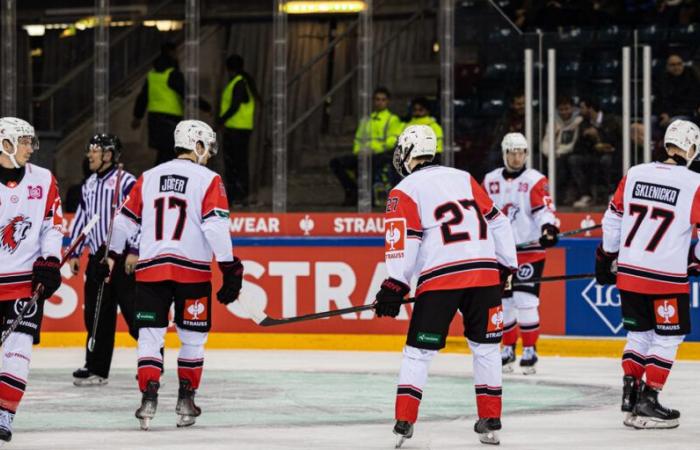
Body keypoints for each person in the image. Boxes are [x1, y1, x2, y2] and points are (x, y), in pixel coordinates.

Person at [374, 125, 517, 447]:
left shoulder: (404, 189)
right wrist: (508, 265)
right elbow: (498, 221)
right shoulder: (463, 177)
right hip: (483, 274)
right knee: (486, 349)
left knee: (418, 353)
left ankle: (404, 421)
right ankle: (491, 418)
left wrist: (395, 283)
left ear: (408, 152)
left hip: (442, 278)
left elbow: (403, 242)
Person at [107, 119, 243, 430]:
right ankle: (185, 399)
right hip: (192, 272)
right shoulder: (209, 179)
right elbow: (215, 226)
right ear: (196, 145)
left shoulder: (148, 177)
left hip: (152, 271)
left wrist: (112, 256)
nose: (208, 154)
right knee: (193, 338)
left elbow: (123, 223)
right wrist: (229, 265)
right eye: (206, 147)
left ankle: (148, 398)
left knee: (150, 336)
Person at [597, 119, 700, 429]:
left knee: (638, 335)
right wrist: (695, 260)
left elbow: (612, 219)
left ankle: (631, 392)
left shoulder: (635, 174)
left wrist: (609, 256)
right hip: (666, 276)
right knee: (669, 336)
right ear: (692, 149)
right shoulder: (694, 183)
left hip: (629, 273)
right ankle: (649, 398)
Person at [0, 117, 64, 443]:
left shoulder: (44, 179)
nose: (29, 147)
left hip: (24, 282)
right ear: (5, 144)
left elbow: (51, 225)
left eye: (29, 141)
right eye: (23, 141)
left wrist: (50, 260)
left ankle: (5, 412)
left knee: (18, 348)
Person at [482, 132, 559, 375]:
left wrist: (549, 227)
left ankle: (529, 349)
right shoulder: (490, 180)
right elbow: (481, 213)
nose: (517, 157)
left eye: (521, 152)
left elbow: (544, 209)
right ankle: (507, 348)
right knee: (504, 303)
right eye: (512, 152)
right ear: (504, 153)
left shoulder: (535, 180)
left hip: (529, 251)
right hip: (501, 254)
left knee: (526, 301)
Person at [68, 134, 139, 386]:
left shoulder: (127, 182)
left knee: (134, 314)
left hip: (121, 257)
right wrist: (75, 252)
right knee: (97, 315)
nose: (90, 155)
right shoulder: (89, 185)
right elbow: (82, 220)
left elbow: (138, 217)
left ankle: (152, 363)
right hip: (98, 258)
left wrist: (134, 249)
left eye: (95, 150)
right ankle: (96, 368)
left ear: (108, 155)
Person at [132, 42, 212, 166]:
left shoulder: (152, 75)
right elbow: (187, 94)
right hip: (170, 120)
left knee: (164, 153)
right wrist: (206, 107)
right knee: (170, 154)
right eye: (176, 53)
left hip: (154, 120)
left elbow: (143, 97)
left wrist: (137, 117)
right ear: (171, 53)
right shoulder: (173, 74)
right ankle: (161, 180)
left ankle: (159, 179)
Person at [329, 87, 403, 206]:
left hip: (382, 154)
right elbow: (358, 140)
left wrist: (374, 149)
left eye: (383, 100)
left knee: (371, 165)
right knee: (336, 163)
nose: (380, 102)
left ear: (388, 102)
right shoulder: (366, 120)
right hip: (364, 154)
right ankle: (352, 191)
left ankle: (370, 196)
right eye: (377, 99)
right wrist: (359, 151)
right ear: (373, 101)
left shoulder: (392, 119)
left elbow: (392, 140)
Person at [217, 54, 259, 207]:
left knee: (234, 165)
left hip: (236, 130)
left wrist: (220, 121)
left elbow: (234, 106)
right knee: (239, 164)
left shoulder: (238, 83)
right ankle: (239, 197)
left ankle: (237, 197)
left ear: (229, 69)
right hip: (241, 129)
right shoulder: (243, 81)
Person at [571, 97, 623, 207]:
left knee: (606, 160)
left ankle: (611, 193)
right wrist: (585, 136)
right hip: (592, 154)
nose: (580, 111)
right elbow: (578, 147)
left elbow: (618, 141)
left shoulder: (611, 120)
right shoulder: (583, 123)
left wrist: (599, 134)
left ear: (590, 109)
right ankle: (586, 195)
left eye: (582, 108)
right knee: (574, 160)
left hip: (611, 155)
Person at [541, 96, 582, 205]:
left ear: (573, 109)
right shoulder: (553, 123)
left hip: (569, 154)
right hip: (555, 155)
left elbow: (573, 144)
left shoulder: (579, 122)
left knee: (565, 163)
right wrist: (552, 150)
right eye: (561, 109)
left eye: (567, 109)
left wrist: (558, 153)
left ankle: (564, 196)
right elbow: (545, 144)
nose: (564, 112)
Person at [654, 54, 700, 129]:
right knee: (650, 120)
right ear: (667, 67)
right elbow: (659, 100)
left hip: (684, 114)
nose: (676, 67)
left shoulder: (691, 79)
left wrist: (669, 115)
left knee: (673, 123)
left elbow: (690, 104)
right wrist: (662, 114)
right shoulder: (662, 80)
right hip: (665, 114)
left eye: (679, 64)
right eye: (673, 65)